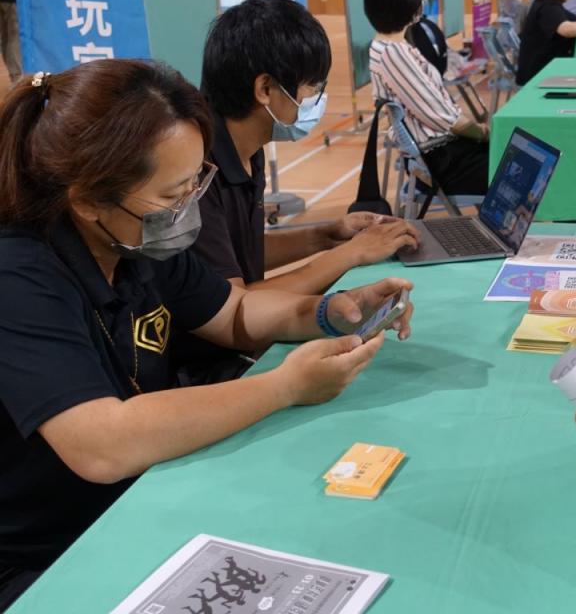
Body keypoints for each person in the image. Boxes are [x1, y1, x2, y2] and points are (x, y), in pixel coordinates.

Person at [0, 60, 414, 610]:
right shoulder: (19, 276)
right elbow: (100, 443)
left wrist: (330, 310)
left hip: (141, 496)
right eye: (174, 193)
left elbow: (234, 314)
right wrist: (284, 386)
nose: (188, 205)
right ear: (87, 199)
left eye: (197, 181)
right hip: (51, 556)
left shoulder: (137, 243)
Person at [175, 0, 419, 385]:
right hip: (211, 368)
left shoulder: (245, 149)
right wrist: (350, 254)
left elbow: (236, 254)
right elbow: (237, 305)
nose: (314, 99)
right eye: (311, 86)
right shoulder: (194, 173)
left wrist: (325, 236)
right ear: (265, 88)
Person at [365, 0, 489, 196]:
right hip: (444, 161)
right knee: (534, 171)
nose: (422, 3)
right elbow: (447, 120)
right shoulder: (393, 53)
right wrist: (485, 132)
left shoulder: (390, 45)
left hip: (443, 154)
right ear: (404, 4)